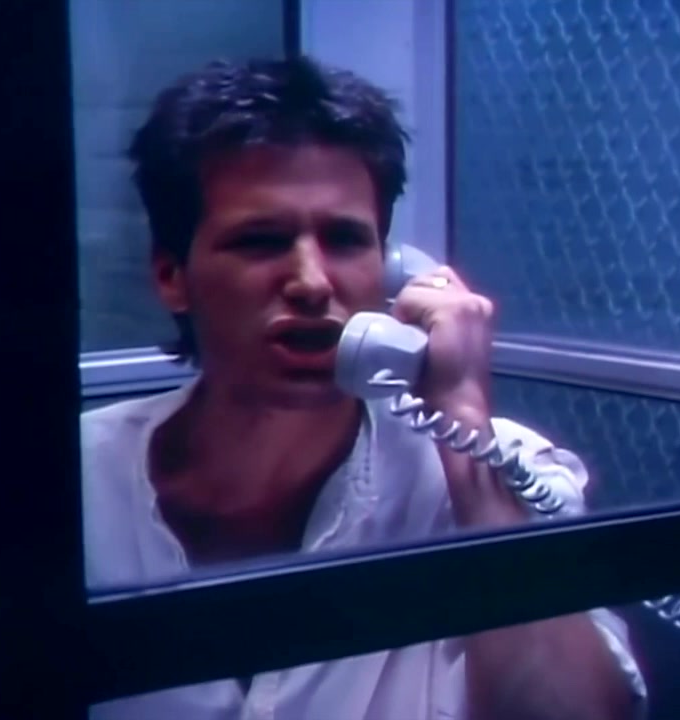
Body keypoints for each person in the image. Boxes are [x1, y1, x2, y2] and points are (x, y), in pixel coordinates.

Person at [81, 56, 647, 720]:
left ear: (393, 270)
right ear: (172, 276)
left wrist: (464, 422)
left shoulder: (505, 470)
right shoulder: (74, 483)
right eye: (261, 241)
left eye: (345, 240)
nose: (312, 282)